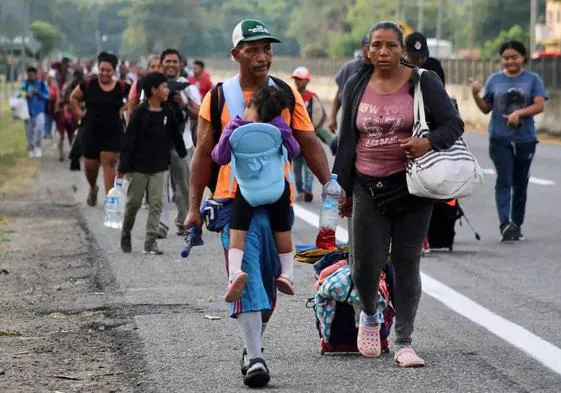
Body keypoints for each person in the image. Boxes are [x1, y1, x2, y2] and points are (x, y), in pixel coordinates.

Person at [185, 19, 330, 388]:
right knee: (246, 270)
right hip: (233, 202)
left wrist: (331, 185)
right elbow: (204, 153)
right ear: (236, 54)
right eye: (253, 49)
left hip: (276, 196)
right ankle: (256, 356)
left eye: (267, 48)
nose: (262, 56)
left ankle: (254, 342)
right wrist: (192, 208)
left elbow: (307, 141)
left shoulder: (284, 94)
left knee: (268, 277)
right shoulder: (217, 96)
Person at [333, 21, 463, 367]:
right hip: (365, 185)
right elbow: (347, 139)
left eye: (391, 45)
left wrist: (427, 142)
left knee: (407, 263)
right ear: (367, 49)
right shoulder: (356, 81)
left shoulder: (423, 82)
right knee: (364, 265)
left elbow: (453, 125)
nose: (383, 52)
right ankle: (372, 315)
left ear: (402, 49)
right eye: (377, 45)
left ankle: (404, 340)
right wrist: (341, 188)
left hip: (412, 187)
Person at [212, 86, 299, 302]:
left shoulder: (237, 127)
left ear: (251, 105)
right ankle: (287, 274)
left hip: (249, 192)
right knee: (283, 229)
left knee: (238, 228)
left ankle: (235, 273)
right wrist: (283, 131)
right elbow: (294, 151)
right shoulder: (278, 127)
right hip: (277, 189)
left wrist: (229, 132)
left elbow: (219, 157)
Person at [470, 40, 546, 241]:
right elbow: (486, 108)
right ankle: (505, 224)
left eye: (514, 57)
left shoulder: (533, 79)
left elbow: (539, 105)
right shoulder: (495, 80)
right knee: (504, 180)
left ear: (523, 58)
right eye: (506, 58)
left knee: (520, 183)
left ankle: (516, 223)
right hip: (499, 139)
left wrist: (519, 113)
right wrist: (475, 94)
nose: (510, 61)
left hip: (525, 139)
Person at [118, 72, 187, 255]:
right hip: (138, 166)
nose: (167, 90)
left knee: (157, 202)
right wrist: (123, 167)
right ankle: (126, 231)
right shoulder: (140, 112)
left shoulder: (168, 111)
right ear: (153, 90)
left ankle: (150, 242)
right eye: (164, 86)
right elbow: (130, 139)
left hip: (159, 166)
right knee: (133, 202)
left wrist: (182, 152)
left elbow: (175, 134)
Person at [69, 52, 130, 206]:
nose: (104, 73)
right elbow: (74, 98)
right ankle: (92, 188)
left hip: (112, 131)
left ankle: (110, 199)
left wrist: (125, 108)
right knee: (91, 166)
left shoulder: (122, 87)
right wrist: (79, 113)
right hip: (90, 131)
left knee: (109, 164)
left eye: (108, 70)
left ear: (114, 71)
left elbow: (135, 99)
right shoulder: (88, 84)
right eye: (101, 69)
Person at [157, 48, 201, 238]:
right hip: (158, 142)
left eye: (175, 62)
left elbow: (199, 113)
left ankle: (184, 221)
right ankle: (161, 224)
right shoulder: (153, 85)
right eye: (168, 61)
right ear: (161, 64)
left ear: (180, 65)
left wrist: (182, 104)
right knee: (160, 187)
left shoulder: (188, 87)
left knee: (183, 187)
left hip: (183, 142)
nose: (171, 65)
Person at [291, 66, 328, 202]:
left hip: (308, 138)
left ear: (307, 81)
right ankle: (300, 190)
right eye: (296, 79)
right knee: (297, 167)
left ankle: (308, 190)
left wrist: (313, 131)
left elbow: (321, 115)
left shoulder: (312, 97)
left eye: (300, 80)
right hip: (295, 139)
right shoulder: (291, 95)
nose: (297, 82)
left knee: (308, 166)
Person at [327, 35, 370, 134]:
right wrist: (332, 118)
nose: (370, 49)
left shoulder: (382, 70)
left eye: (374, 46)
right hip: (349, 124)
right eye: (368, 46)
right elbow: (339, 96)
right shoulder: (349, 68)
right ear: (362, 48)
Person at [18, 67, 50, 158]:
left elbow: (47, 96)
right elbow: (19, 93)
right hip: (27, 112)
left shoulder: (42, 84)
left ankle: (38, 147)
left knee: (39, 129)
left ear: (36, 75)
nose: (29, 77)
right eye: (28, 75)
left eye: (31, 75)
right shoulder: (25, 83)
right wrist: (26, 94)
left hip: (39, 111)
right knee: (29, 132)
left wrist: (38, 93)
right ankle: (31, 149)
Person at [45, 71, 59, 140]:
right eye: (49, 78)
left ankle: (49, 133)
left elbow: (57, 95)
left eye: (51, 78)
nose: (50, 80)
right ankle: (46, 133)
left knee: (50, 119)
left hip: (52, 104)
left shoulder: (54, 86)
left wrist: (57, 105)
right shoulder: (46, 86)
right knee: (47, 119)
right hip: (47, 104)